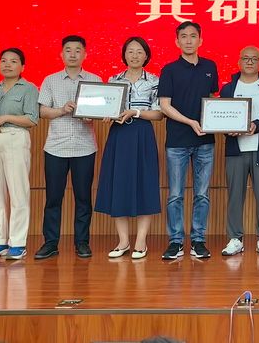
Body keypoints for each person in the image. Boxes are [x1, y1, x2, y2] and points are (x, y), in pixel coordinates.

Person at [95, 37, 164, 260]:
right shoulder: (113, 80)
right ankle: (123, 241)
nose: (134, 55)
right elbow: (106, 107)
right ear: (124, 55)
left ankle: (141, 241)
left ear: (146, 56)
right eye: (130, 51)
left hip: (142, 134)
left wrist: (136, 112)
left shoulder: (154, 80)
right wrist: (105, 114)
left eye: (139, 51)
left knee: (145, 184)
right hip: (119, 135)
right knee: (119, 184)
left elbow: (159, 114)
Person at [34, 35, 102, 260]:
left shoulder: (95, 80)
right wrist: (62, 110)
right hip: (56, 147)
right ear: (61, 54)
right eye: (68, 50)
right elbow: (42, 111)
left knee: (83, 198)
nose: (73, 54)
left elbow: (102, 111)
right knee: (53, 198)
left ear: (85, 54)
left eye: (77, 50)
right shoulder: (50, 80)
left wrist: (90, 115)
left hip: (84, 147)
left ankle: (82, 242)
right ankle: (50, 242)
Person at [158, 21, 219, 261]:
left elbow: (212, 100)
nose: (188, 40)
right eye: (183, 36)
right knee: (175, 194)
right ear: (177, 41)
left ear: (200, 40)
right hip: (177, 141)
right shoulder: (169, 70)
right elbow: (165, 105)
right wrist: (191, 122)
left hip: (205, 141)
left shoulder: (210, 67)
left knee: (202, 194)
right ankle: (175, 242)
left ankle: (198, 240)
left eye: (193, 36)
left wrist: (218, 120)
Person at [219, 46, 259, 257]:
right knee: (235, 196)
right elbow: (220, 116)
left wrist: (257, 125)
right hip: (235, 151)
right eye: (245, 58)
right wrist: (227, 129)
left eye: (254, 59)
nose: (249, 62)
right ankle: (235, 239)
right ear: (238, 62)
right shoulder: (228, 89)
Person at [0, 48, 39, 261]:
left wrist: (5, 117)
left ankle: (18, 243)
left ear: (22, 66)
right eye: (3, 60)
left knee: (18, 192)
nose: (7, 64)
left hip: (15, 137)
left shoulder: (29, 88)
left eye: (13, 61)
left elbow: (32, 119)